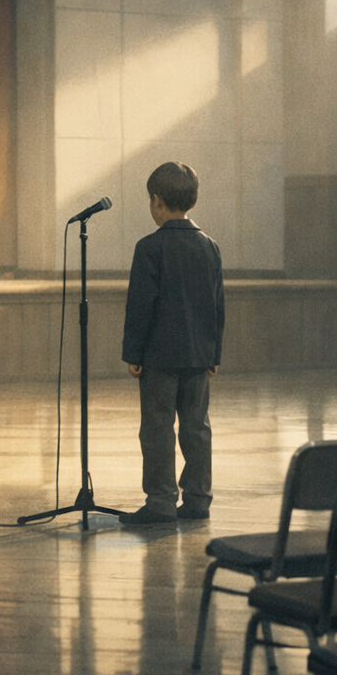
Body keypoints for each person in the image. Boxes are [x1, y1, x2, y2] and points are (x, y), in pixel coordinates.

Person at [119, 161, 224, 526]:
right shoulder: (209, 246)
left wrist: (133, 353)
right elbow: (216, 306)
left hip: (159, 359)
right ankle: (198, 500)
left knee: (157, 429)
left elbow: (140, 306)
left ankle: (161, 502)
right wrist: (214, 354)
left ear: (157, 202)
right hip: (198, 357)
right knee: (197, 429)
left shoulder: (149, 248)